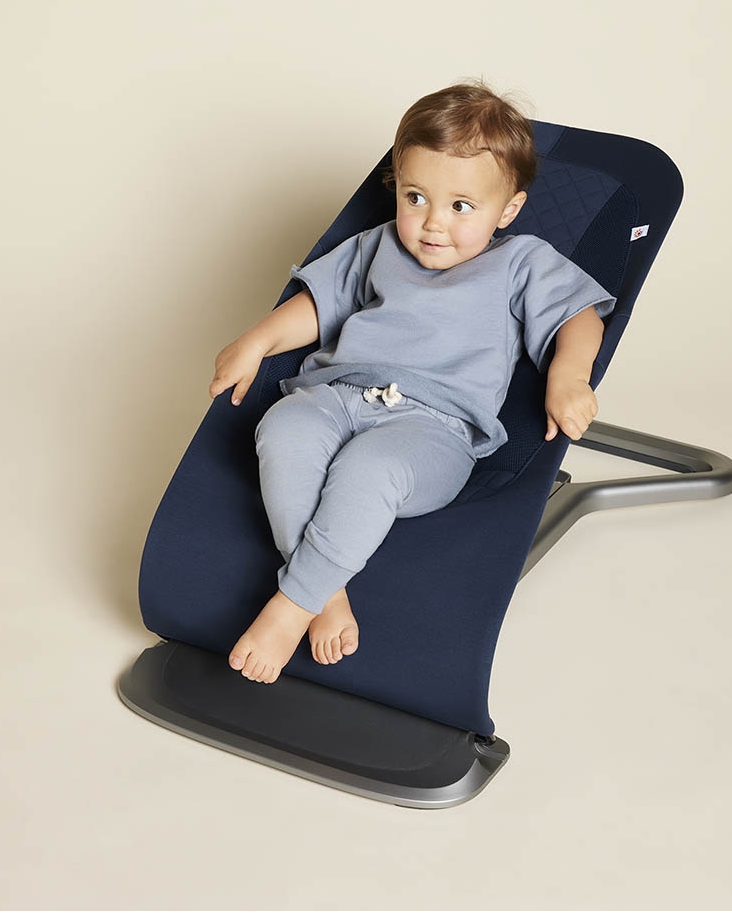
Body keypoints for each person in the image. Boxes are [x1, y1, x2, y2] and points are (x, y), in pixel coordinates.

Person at [209, 82, 616, 683]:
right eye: (416, 197)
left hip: (434, 428)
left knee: (369, 469)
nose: (432, 223)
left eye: (461, 206)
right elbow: (320, 303)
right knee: (284, 431)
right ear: (396, 186)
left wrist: (569, 375)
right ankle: (326, 592)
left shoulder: (520, 262)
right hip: (337, 395)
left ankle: (291, 606)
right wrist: (258, 340)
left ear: (507, 211)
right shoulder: (378, 246)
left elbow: (579, 316)